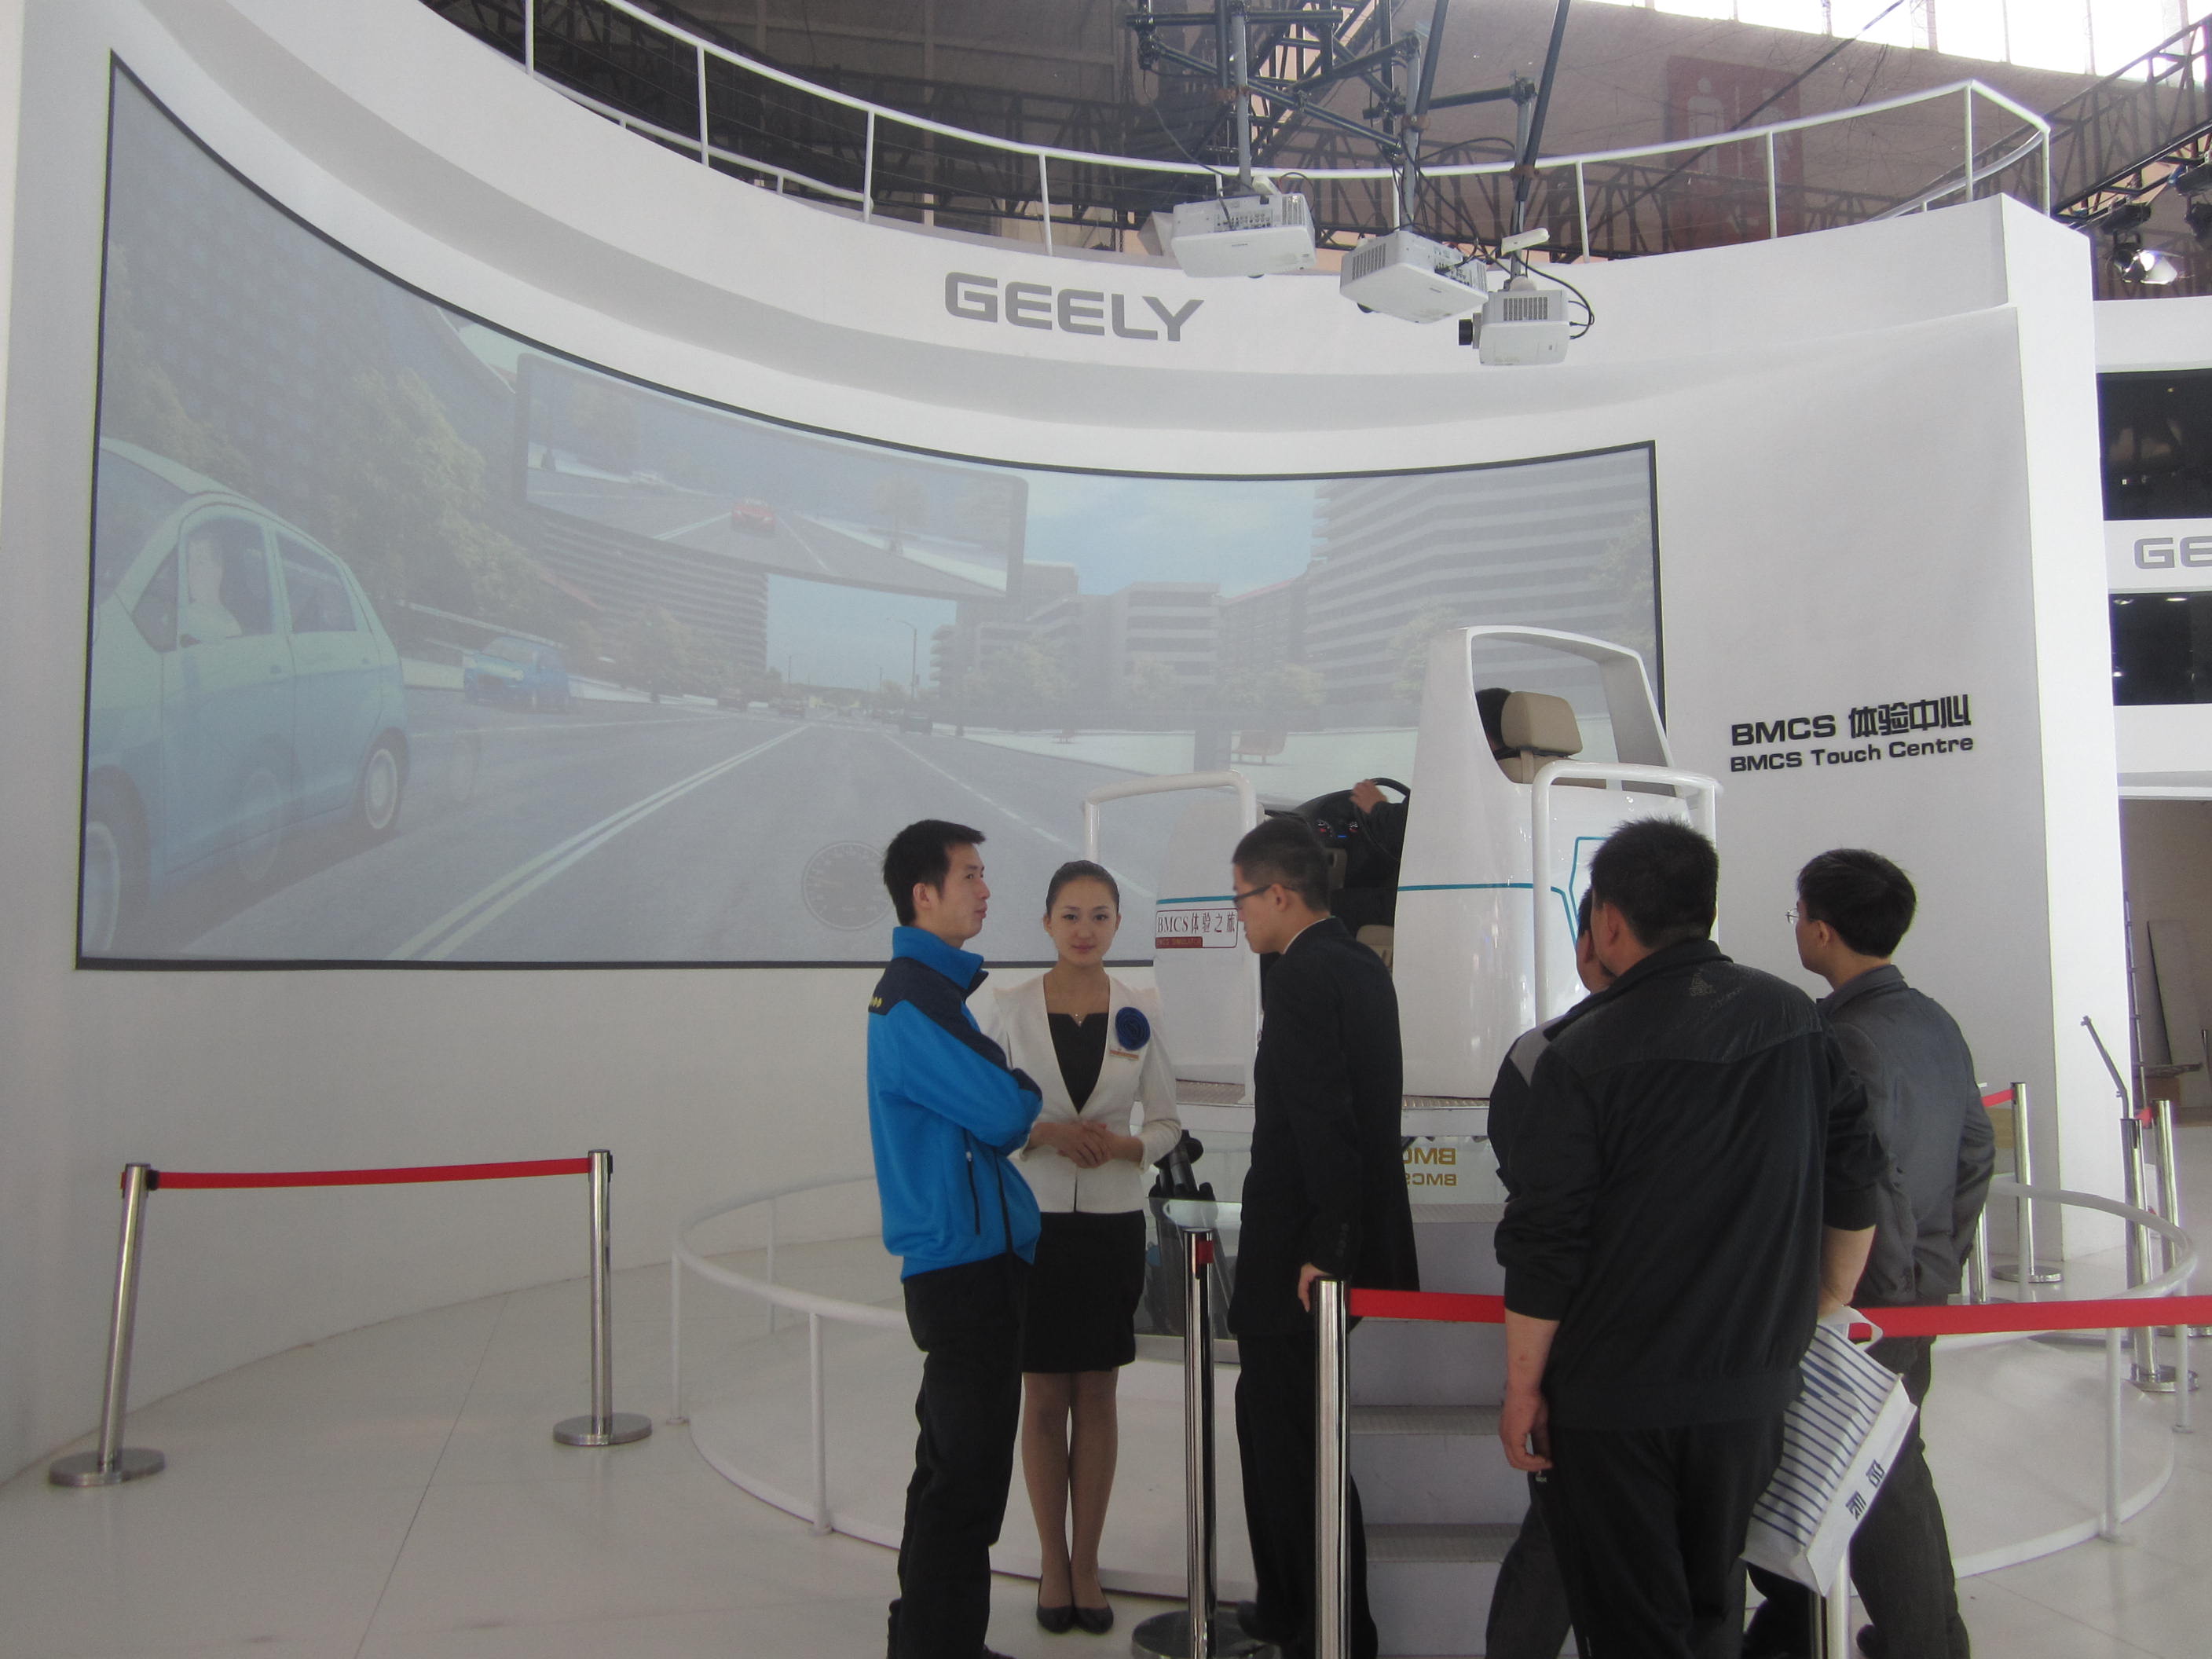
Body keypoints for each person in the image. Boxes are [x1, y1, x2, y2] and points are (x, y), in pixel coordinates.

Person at [1493, 818, 1888, 1659]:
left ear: (1607, 921)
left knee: (1634, 1627)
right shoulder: (1792, 1018)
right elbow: (1858, 1168)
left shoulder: (1578, 1052)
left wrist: (1522, 1384)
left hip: (1613, 1403)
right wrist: (1825, 1297)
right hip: (1750, 1391)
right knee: (1714, 1610)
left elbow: (1544, 1237)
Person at [1743, 850, 1994, 1659]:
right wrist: (1936, 1268)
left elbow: (1868, 1181)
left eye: (1797, 914)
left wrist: (1850, 1296)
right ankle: (1906, 1636)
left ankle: (1923, 1643)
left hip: (1863, 1307)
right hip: (1912, 1297)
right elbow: (1976, 1152)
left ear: (1820, 930)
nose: (1796, 927)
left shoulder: (1841, 1038)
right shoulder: (1934, 1021)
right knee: (1891, 1467)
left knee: (1877, 1483)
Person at [972, 860, 1183, 1638]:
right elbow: (984, 1115)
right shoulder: (1008, 1008)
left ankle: (1086, 1563)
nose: (1084, 929)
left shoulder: (1140, 1009)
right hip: (1033, 1224)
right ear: (1046, 923)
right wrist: (1045, 1134)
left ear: (1118, 924)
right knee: (1041, 1397)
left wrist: (1126, 1148)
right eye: (1070, 915)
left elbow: (1166, 1121)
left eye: (1099, 916)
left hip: (1110, 1222)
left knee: (1096, 1393)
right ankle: (1051, 1565)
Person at [1225, 815, 1419, 1659]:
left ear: (1279, 894)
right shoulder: (1357, 963)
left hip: (1301, 1258)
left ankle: (1328, 1628)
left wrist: (1326, 1249)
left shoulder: (1303, 976)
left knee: (1292, 1448)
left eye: (1241, 899)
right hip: (1324, 1248)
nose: (1238, 916)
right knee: (1278, 1430)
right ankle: (1290, 1609)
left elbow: (1325, 1123)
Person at [869, 820, 1044, 1659]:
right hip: (965, 1269)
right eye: (969, 875)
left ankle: (933, 1640)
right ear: (923, 894)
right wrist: (1020, 1085)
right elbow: (1008, 1112)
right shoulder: (914, 1000)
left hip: (974, 1260)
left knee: (952, 1470)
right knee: (963, 1484)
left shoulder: (933, 992)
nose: (984, 890)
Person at [1481, 890, 1609, 1659]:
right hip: (1724, 1358)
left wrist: (1523, 1382)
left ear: (1596, 938)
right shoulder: (1769, 1035)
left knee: (1558, 1542)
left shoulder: (1544, 1054)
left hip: (1588, 1348)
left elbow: (1533, 1203)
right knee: (1700, 1576)